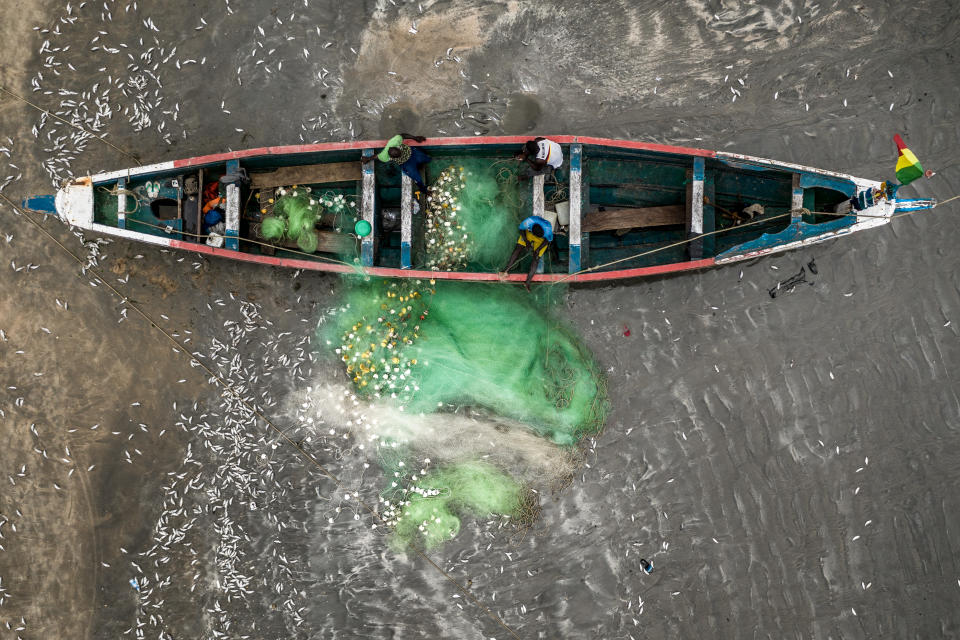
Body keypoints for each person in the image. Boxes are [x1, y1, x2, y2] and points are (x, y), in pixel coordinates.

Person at [499, 215, 554, 291]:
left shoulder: (548, 230)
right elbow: (521, 229)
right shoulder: (529, 221)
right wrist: (526, 241)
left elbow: (547, 240)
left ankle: (527, 282)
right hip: (529, 234)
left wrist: (538, 249)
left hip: (541, 239)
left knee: (536, 259)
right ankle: (505, 270)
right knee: (518, 249)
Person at [363, 133, 431, 190]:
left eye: (400, 151)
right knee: (416, 177)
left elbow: (403, 135)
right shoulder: (384, 156)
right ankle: (423, 189)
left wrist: (415, 138)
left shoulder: (394, 141)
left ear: (397, 147)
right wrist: (368, 159)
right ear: (391, 157)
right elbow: (377, 156)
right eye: (399, 154)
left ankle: (427, 160)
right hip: (405, 163)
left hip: (412, 152)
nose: (401, 153)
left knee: (426, 158)